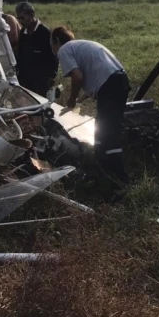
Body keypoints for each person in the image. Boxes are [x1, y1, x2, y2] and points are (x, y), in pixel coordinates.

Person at [50, 26, 131, 198]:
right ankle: (104, 176)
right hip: (120, 82)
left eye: (52, 44)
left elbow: (78, 77)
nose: (53, 49)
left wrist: (71, 99)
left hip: (110, 87)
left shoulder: (64, 50)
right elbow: (94, 78)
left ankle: (120, 184)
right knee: (104, 135)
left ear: (56, 41)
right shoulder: (81, 45)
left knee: (107, 136)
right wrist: (79, 100)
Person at [14, 2, 58, 97]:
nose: (21, 21)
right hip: (25, 79)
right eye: (19, 18)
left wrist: (52, 76)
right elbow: (20, 54)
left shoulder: (45, 32)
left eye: (23, 18)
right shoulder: (22, 33)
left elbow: (53, 56)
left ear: (31, 15)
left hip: (42, 80)